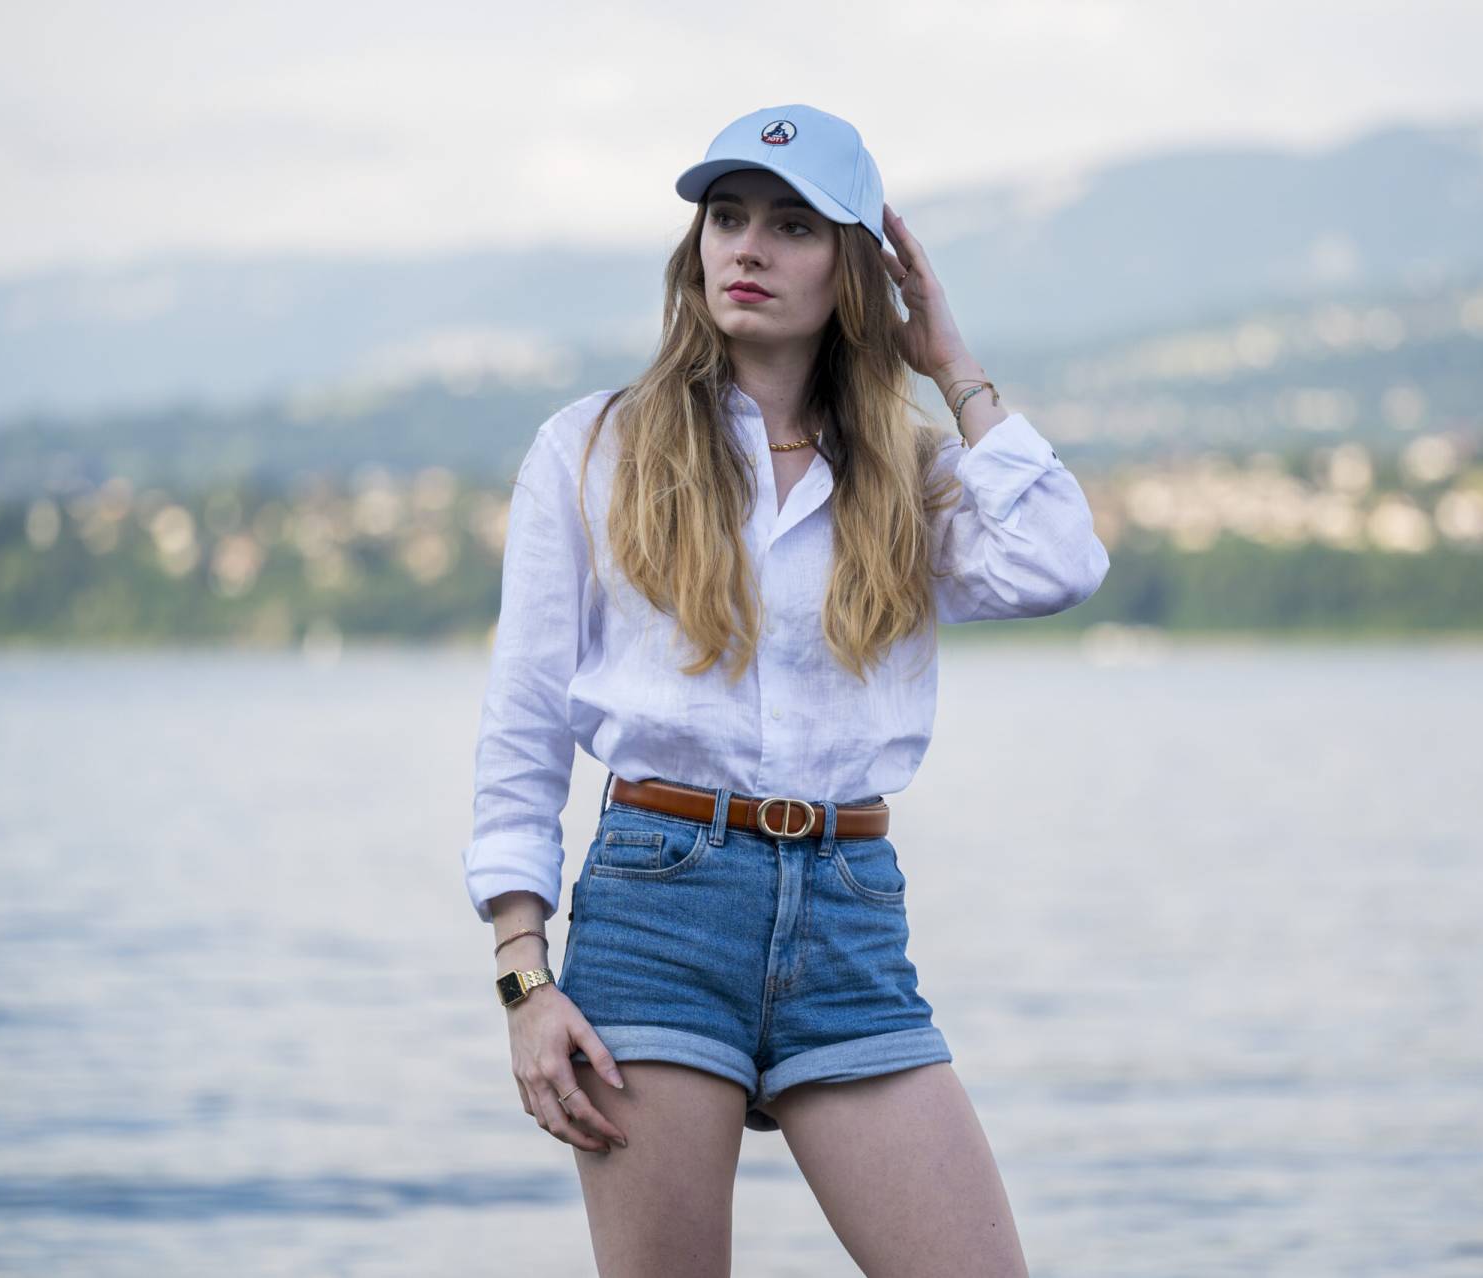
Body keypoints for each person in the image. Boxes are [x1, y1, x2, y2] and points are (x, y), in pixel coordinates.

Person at [465, 103, 1108, 1277]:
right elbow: (523, 726)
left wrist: (953, 366)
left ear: (855, 268)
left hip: (849, 916)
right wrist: (523, 978)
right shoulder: (591, 448)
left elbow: (1063, 561)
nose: (747, 248)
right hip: (658, 907)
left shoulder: (910, 476)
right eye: (726, 218)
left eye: (792, 224)